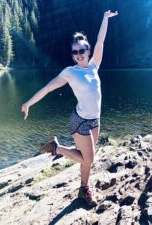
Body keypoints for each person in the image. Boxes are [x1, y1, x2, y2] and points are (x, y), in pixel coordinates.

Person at [21, 10, 118, 205]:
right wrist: (28, 103)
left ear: (88, 51)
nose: (79, 55)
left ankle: (84, 188)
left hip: (94, 120)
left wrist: (105, 18)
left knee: (85, 156)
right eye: (75, 52)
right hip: (80, 120)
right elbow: (48, 88)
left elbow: (100, 41)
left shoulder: (93, 66)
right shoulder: (70, 73)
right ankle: (57, 148)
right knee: (88, 159)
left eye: (82, 50)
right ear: (73, 56)